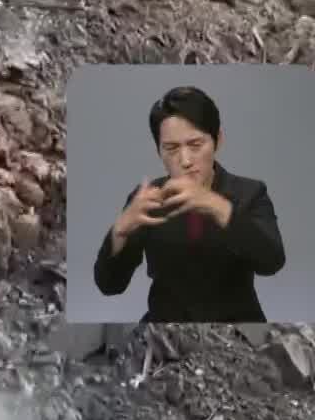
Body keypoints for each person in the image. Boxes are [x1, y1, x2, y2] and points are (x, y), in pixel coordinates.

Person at [93, 85, 286, 322]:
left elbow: (272, 261)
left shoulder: (249, 192)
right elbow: (109, 285)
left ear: (218, 141)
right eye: (171, 148)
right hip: (166, 324)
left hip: (236, 326)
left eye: (195, 145)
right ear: (158, 151)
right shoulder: (148, 199)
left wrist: (217, 206)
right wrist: (119, 233)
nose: (185, 160)